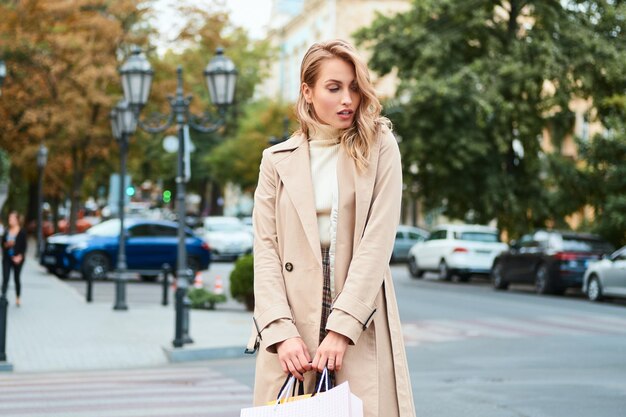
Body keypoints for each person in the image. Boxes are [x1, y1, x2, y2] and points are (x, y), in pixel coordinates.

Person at [247, 40, 416, 417]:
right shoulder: (276, 161)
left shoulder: (380, 147)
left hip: (358, 313)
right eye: (334, 87)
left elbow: (377, 241)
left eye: (355, 87)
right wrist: (280, 331)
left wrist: (341, 328)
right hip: (293, 320)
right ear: (308, 92)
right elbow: (266, 250)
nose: (348, 100)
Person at [1, 211, 27, 306]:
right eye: (9, 218)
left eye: (11, 218)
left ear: (17, 220)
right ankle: (3, 297)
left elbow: (24, 247)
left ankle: (18, 297)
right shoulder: (6, 231)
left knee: (16, 278)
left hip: (18, 259)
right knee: (5, 278)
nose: (10, 220)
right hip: (7, 258)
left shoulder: (22, 232)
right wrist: (7, 244)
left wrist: (19, 257)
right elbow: (2, 244)